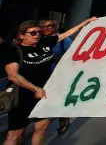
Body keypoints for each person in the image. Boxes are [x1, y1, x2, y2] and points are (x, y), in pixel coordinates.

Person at [2, 17, 97, 145]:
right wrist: (35, 89)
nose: (37, 35)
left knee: (42, 128)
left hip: (45, 94)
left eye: (39, 32)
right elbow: (13, 76)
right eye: (32, 33)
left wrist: (86, 22)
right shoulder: (14, 50)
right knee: (15, 134)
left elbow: (67, 34)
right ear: (22, 35)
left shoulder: (45, 43)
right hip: (22, 96)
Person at [40, 18, 73, 135]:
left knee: (59, 100)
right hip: (43, 75)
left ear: (56, 26)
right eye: (44, 26)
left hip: (58, 75)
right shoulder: (39, 40)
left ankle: (63, 120)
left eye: (49, 26)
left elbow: (71, 56)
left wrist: (51, 57)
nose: (46, 28)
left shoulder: (64, 40)